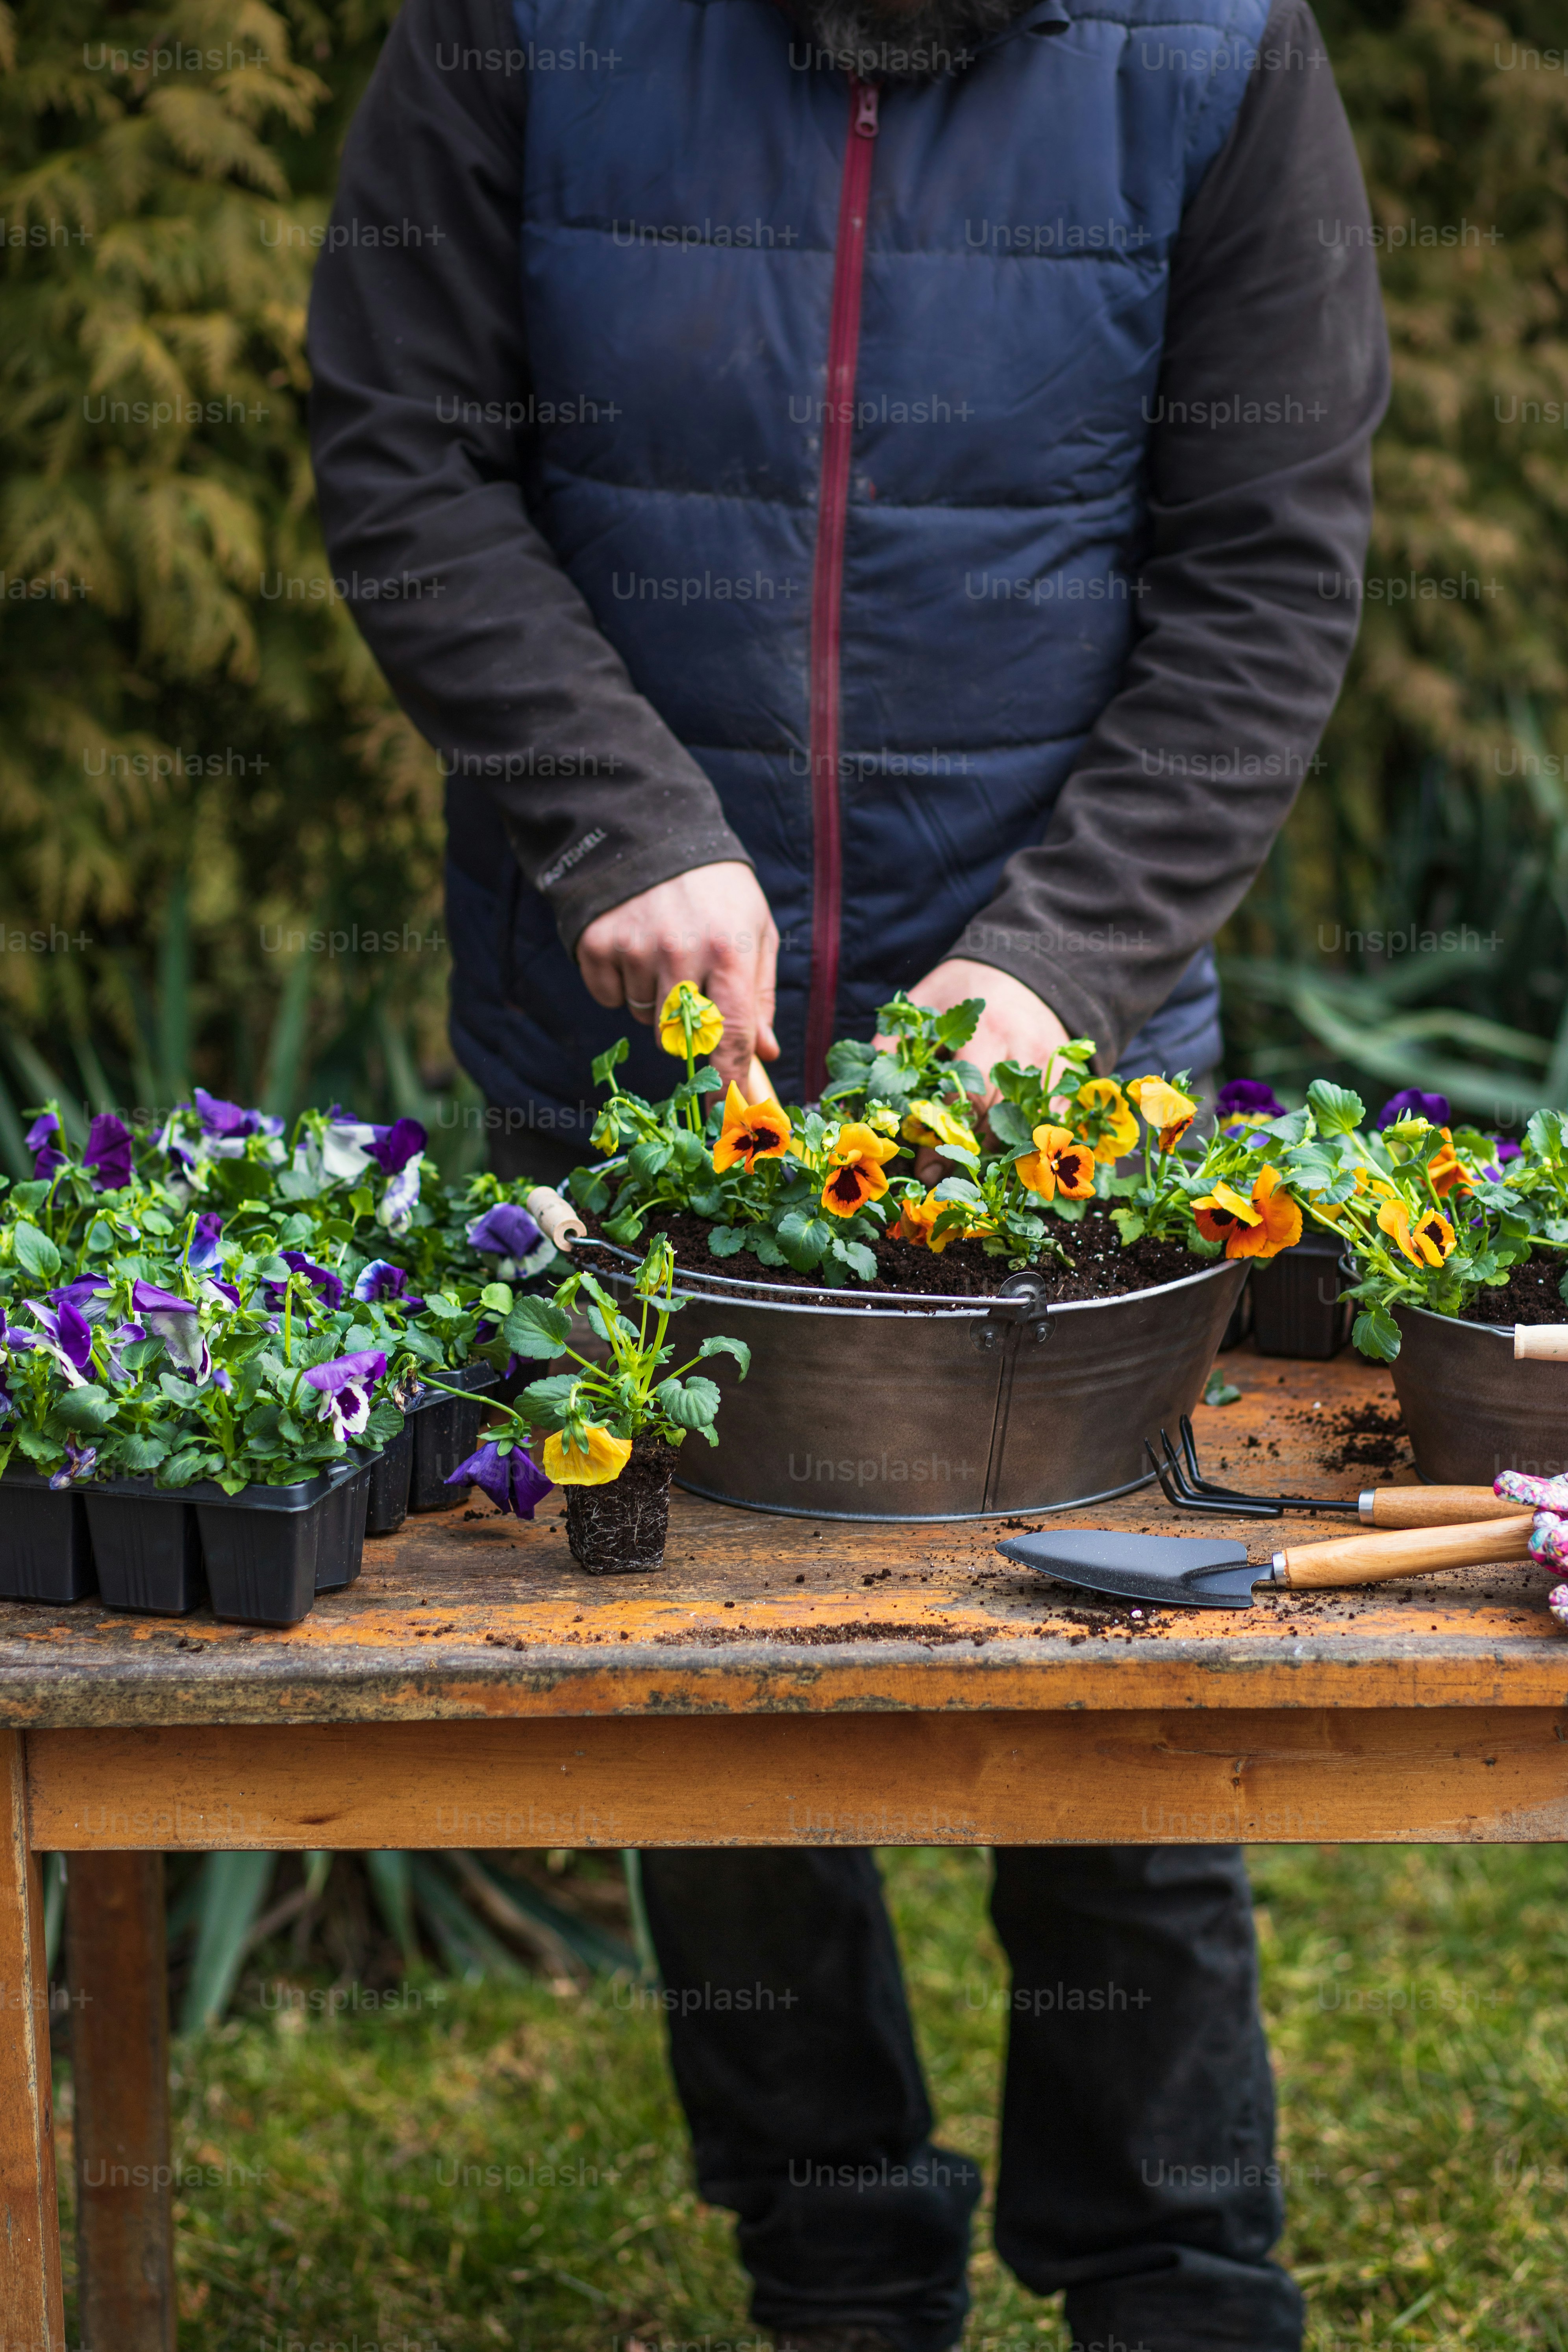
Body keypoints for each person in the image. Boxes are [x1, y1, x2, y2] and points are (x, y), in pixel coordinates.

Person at [307, 0, 1387, 2339]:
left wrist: (1065, 968)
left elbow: (1266, 572)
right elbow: (402, 455)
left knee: (1116, 1659)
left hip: (1070, 1066)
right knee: (703, 1693)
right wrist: (620, 817)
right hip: (629, 1038)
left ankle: (1177, 2275)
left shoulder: (1216, 52)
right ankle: (838, 2261)